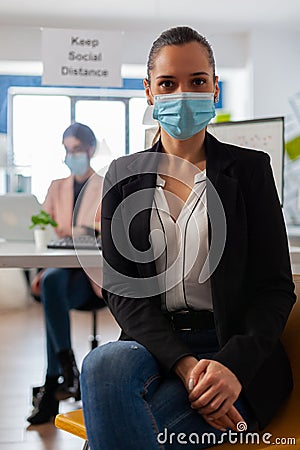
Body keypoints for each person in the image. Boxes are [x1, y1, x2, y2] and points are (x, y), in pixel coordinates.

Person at [80, 27, 296, 450]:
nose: (183, 93)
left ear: (215, 88)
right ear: (148, 91)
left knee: (126, 434)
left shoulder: (250, 171)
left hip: (232, 350)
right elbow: (122, 291)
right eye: (167, 83)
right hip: (152, 344)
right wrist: (183, 364)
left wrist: (231, 367)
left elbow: (275, 289)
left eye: (197, 81)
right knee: (102, 364)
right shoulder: (122, 176)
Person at [27, 122, 104, 425]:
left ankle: (54, 381)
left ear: (90, 150)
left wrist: (78, 232)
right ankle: (64, 367)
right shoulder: (56, 187)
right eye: (67, 150)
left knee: (51, 286)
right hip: (60, 274)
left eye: (76, 150)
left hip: (89, 278)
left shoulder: (105, 184)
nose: (71, 156)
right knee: (52, 281)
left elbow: (104, 229)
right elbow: (43, 225)